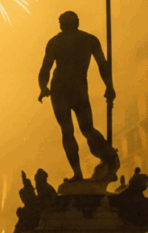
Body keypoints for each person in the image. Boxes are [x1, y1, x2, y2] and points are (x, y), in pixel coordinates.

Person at [38, 11, 119, 181]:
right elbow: (103, 65)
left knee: (68, 131)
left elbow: (45, 69)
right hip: (78, 89)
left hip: (60, 90)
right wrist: (109, 86)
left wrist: (43, 87)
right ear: (77, 23)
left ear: (62, 24)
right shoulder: (89, 40)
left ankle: (80, 172)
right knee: (86, 128)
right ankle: (106, 155)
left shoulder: (55, 42)